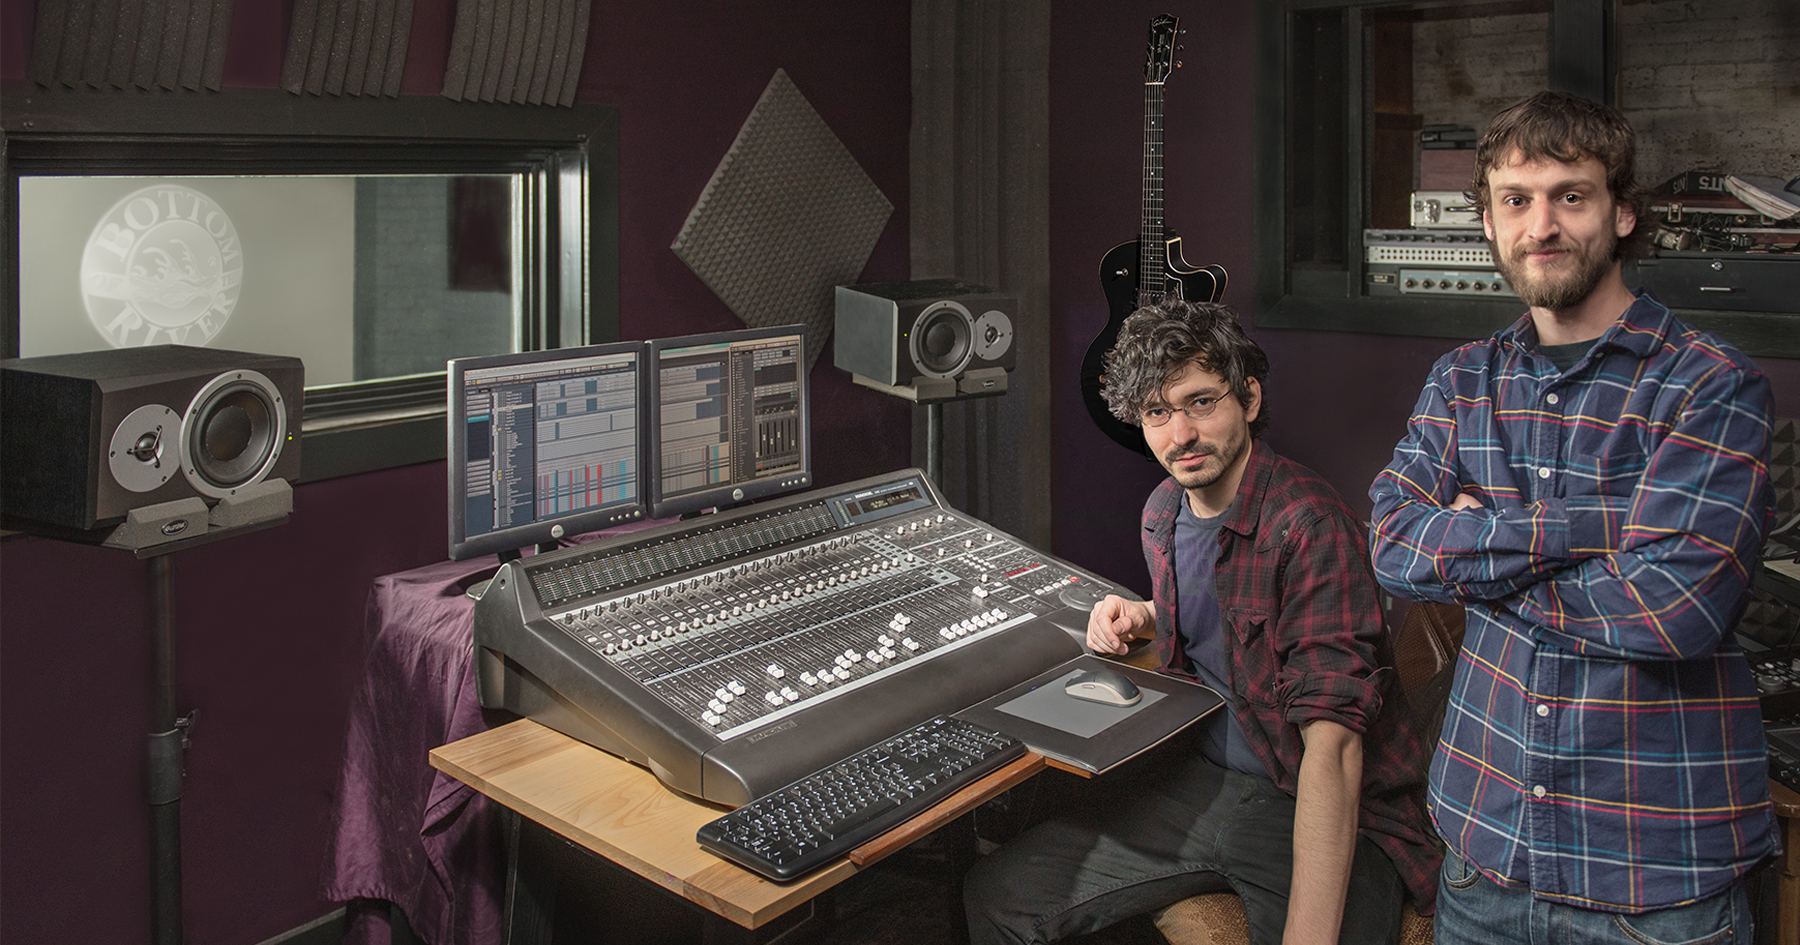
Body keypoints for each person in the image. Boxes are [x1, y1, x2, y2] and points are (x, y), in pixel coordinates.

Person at [1368, 90, 1778, 944]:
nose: (1541, 224)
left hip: (1656, 878)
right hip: (1486, 852)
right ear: (1487, 220)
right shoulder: (1461, 380)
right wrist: (1591, 528)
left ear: (1623, 211)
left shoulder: (1709, 385)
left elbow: (1674, 610)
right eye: (1516, 200)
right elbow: (1395, 545)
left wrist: (1480, 556)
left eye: (1571, 195)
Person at [964, 299, 1440, 945]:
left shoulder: (1310, 525)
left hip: (1311, 796)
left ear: (1247, 397)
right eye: (1158, 412)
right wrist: (1149, 614)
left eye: (1200, 402)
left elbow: (1336, 745)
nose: (1179, 434)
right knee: (999, 894)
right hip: (1204, 782)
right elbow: (1235, 614)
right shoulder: (1163, 510)